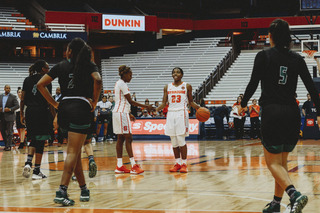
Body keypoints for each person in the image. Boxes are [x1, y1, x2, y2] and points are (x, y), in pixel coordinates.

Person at [240, 19, 319, 213]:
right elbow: (312, 88)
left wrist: (242, 104)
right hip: (292, 113)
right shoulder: (297, 59)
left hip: (272, 112)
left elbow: (252, 84)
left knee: (273, 163)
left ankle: (295, 195)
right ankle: (276, 203)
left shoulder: (263, 56)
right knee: (282, 163)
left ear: (271, 36)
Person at [37, 38, 102, 206]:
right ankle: (62, 190)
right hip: (80, 108)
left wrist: (55, 104)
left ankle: (83, 188)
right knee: (73, 152)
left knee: (76, 152)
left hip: (64, 109)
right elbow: (98, 80)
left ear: (70, 51)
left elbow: (40, 84)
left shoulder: (61, 65)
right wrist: (94, 102)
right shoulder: (89, 64)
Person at [156, 67, 200, 173]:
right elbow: (163, 103)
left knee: (181, 140)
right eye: (174, 72)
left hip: (182, 113)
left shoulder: (187, 86)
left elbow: (191, 102)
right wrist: (155, 109)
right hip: (170, 113)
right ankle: (177, 163)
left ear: (182, 75)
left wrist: (199, 108)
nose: (175, 74)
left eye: (178, 72)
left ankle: (184, 164)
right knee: (173, 141)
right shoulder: (167, 87)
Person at [113, 65, 153, 174]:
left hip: (118, 112)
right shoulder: (122, 83)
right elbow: (130, 101)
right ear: (124, 74)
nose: (131, 77)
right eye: (130, 75)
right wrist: (146, 107)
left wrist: (129, 113)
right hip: (121, 113)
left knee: (120, 138)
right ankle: (133, 165)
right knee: (128, 137)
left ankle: (119, 165)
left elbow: (122, 100)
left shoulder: (119, 83)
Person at [21, 60, 52, 180]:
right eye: (47, 68)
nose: (49, 70)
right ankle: (37, 170)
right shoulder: (46, 80)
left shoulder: (27, 80)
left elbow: (23, 99)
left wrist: (21, 115)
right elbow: (49, 100)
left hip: (30, 112)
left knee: (33, 138)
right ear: (42, 69)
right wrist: (54, 116)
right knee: (41, 141)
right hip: (42, 112)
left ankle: (28, 163)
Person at [0, 85, 19, 151]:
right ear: (4, 88)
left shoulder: (13, 97)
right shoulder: (1, 96)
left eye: (9, 88)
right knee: (2, 131)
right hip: (2, 116)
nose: (8, 89)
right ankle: (6, 144)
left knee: (9, 132)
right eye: (7, 88)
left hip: (10, 116)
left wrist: (10, 109)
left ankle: (8, 146)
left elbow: (17, 106)